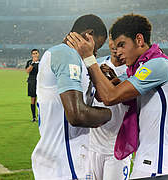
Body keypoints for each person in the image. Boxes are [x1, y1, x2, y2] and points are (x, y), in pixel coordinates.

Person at [67, 13, 168, 178]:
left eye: (122, 45)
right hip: (148, 160)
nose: (118, 51)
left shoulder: (158, 64)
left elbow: (110, 97)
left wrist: (89, 58)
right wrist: (103, 76)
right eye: (115, 46)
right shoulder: (137, 70)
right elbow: (102, 95)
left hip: (158, 163)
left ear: (139, 39)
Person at [31, 14, 111, 180]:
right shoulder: (66, 54)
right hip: (63, 166)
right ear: (88, 35)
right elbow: (77, 115)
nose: (96, 51)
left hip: (63, 160)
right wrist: (109, 114)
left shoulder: (72, 58)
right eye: (98, 45)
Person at [89, 34, 131, 180]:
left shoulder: (133, 71)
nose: (115, 45)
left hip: (117, 149)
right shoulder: (97, 65)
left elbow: (106, 96)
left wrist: (111, 78)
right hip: (92, 146)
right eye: (113, 40)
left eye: (122, 42)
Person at [25, 49, 39, 122]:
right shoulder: (29, 62)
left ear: (38, 54)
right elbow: (27, 71)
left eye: (36, 53)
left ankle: (40, 116)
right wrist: (33, 63)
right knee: (33, 99)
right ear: (31, 55)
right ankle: (34, 117)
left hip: (40, 83)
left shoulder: (42, 62)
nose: (35, 55)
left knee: (41, 100)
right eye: (33, 53)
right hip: (32, 82)